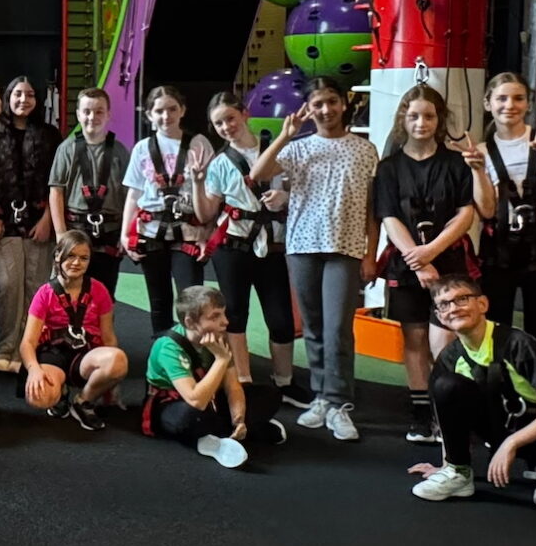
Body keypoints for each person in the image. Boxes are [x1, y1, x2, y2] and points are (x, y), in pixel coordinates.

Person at [248, 76, 382, 442]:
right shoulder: (298, 148)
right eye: (317, 104)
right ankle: (322, 396)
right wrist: (285, 136)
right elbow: (257, 174)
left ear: (343, 103)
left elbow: (372, 209)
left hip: (345, 248)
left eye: (332, 102)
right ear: (308, 109)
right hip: (302, 246)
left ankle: (339, 402)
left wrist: (370, 254)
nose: (326, 110)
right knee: (313, 326)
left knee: (338, 328)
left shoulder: (365, 150)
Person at [405, 273, 536, 511]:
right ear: (439, 317)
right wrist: (447, 464)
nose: (454, 308)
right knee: (445, 386)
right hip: (497, 423)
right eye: (444, 304)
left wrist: (512, 442)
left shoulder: (518, 343)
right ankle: (458, 473)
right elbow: (448, 411)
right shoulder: (450, 356)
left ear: (482, 304)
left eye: (462, 299)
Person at [373, 82, 494, 445]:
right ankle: (421, 411)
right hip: (406, 264)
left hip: (450, 262)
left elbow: (466, 213)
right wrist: (417, 260)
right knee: (414, 339)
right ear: (403, 120)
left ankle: (449, 410)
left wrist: (431, 252)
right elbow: (389, 217)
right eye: (413, 116)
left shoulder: (456, 163)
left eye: (428, 116)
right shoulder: (389, 167)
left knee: (444, 341)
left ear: (439, 119)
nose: (421, 123)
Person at [201, 92, 300, 399]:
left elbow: (301, 189)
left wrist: (286, 197)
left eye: (230, 118)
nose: (226, 127)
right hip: (233, 246)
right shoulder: (219, 164)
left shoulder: (279, 151)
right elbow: (209, 211)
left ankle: (284, 381)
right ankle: (242, 381)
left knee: (281, 319)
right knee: (235, 316)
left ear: (245, 114)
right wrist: (196, 183)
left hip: (273, 247)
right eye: (219, 124)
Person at [474, 73, 536, 361]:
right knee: (496, 327)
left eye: (518, 98)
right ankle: (499, 384)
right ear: (488, 103)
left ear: (528, 104)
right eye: (502, 99)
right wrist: (477, 170)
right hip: (499, 244)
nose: (510, 105)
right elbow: (487, 211)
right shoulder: (481, 151)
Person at [140, 284, 278, 470]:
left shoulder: (217, 337)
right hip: (175, 404)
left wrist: (238, 419)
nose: (225, 322)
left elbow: (232, 386)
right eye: (215, 317)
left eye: (223, 314)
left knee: (270, 395)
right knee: (189, 417)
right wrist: (221, 359)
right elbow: (195, 400)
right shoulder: (169, 347)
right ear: (190, 322)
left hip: (209, 398)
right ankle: (218, 438)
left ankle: (232, 429)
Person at [0, 74, 61, 373]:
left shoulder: (50, 135)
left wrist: (48, 220)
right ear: (8, 98)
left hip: (39, 220)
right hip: (4, 221)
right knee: (9, 285)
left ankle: (29, 347)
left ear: (37, 100)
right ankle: (7, 346)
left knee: (35, 287)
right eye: (17, 94)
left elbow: (57, 182)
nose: (23, 100)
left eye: (29, 95)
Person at [124, 85, 219, 337]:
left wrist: (208, 232)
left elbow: (213, 194)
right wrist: (125, 234)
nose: (166, 116)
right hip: (151, 232)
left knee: (193, 300)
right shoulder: (142, 148)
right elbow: (134, 194)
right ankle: (162, 353)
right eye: (159, 111)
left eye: (172, 109)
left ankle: (194, 352)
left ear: (182, 110)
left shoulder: (198, 144)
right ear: (149, 115)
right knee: (159, 301)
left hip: (189, 232)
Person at [18, 230, 132, 429]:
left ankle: (83, 402)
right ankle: (60, 393)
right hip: (54, 354)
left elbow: (108, 338)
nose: (77, 263)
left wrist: (112, 379)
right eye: (71, 256)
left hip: (85, 355)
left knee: (119, 360)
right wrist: (34, 370)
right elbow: (27, 342)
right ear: (58, 256)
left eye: (83, 258)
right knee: (39, 397)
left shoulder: (99, 290)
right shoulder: (45, 294)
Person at [47, 88, 132, 295]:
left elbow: (129, 195)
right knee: (69, 292)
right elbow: (56, 191)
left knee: (104, 294)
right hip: (76, 229)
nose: (92, 117)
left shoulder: (120, 152)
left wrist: (126, 232)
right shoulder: (66, 149)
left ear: (108, 114)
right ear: (78, 114)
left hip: (109, 232)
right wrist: (61, 234)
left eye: (99, 111)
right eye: (87, 111)